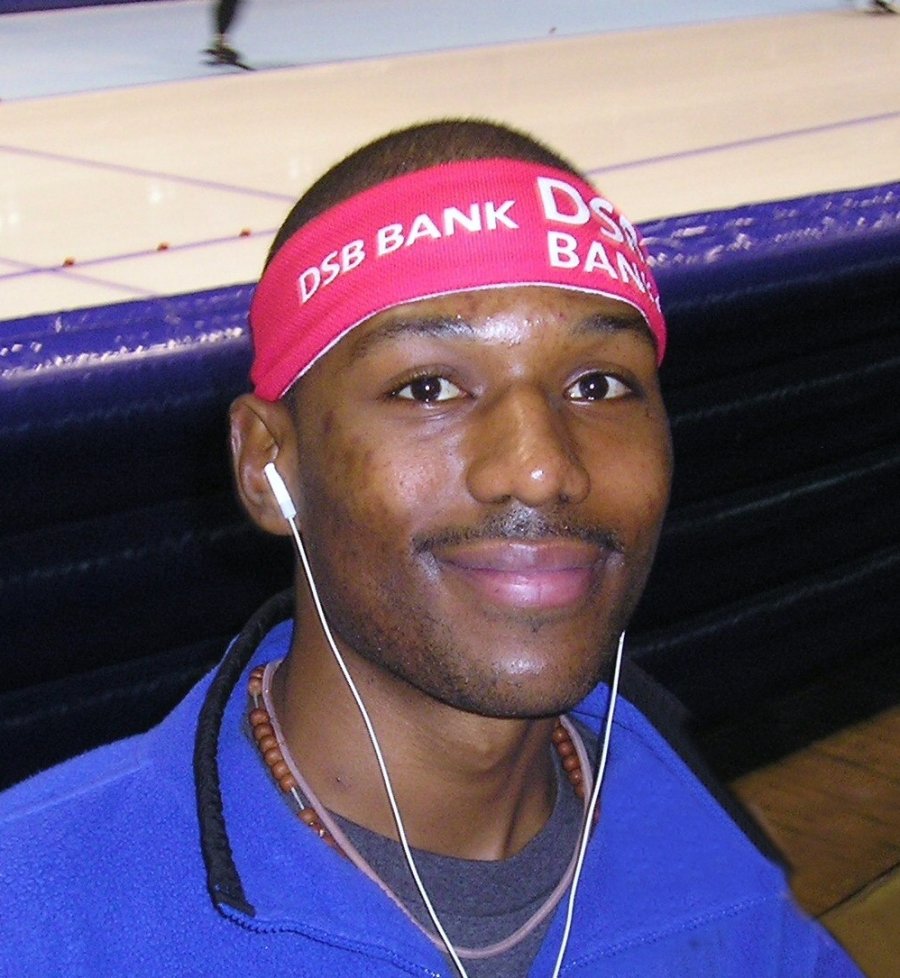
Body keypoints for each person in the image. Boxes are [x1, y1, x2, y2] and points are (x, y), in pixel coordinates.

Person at [0, 120, 864, 977]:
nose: (541, 467)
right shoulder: (36, 911)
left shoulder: (711, 857)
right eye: (429, 387)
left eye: (598, 384)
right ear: (269, 464)